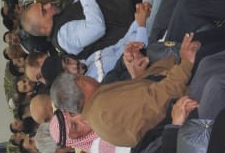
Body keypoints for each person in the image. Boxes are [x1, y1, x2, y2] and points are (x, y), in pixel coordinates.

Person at [50, 30, 200, 146]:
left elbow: (144, 103)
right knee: (190, 21)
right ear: (81, 83)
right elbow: (161, 98)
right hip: (188, 98)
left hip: (177, 87)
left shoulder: (99, 109)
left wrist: (138, 75)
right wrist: (186, 63)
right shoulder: (102, 106)